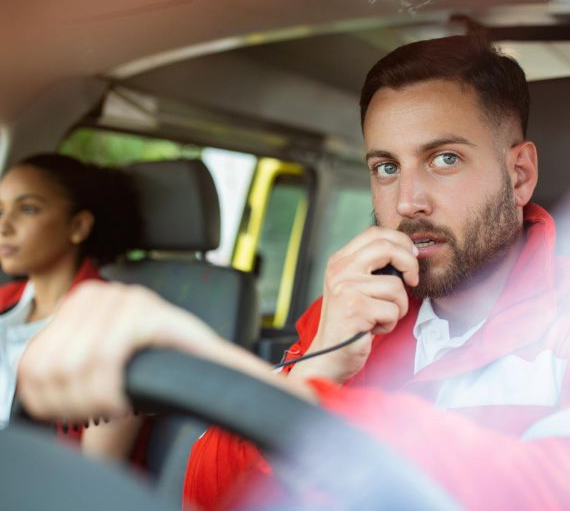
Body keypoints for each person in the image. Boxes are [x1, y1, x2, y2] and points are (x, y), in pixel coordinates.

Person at [15, 36, 570, 509]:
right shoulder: (350, 309)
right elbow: (207, 495)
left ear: (519, 175)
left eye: (444, 158)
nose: (408, 201)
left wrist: (240, 377)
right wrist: (317, 368)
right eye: (386, 167)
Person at [0, 153, 143, 458]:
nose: (4, 226)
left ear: (78, 225)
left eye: (27, 209)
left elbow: (93, 480)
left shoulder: (112, 325)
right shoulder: (4, 301)